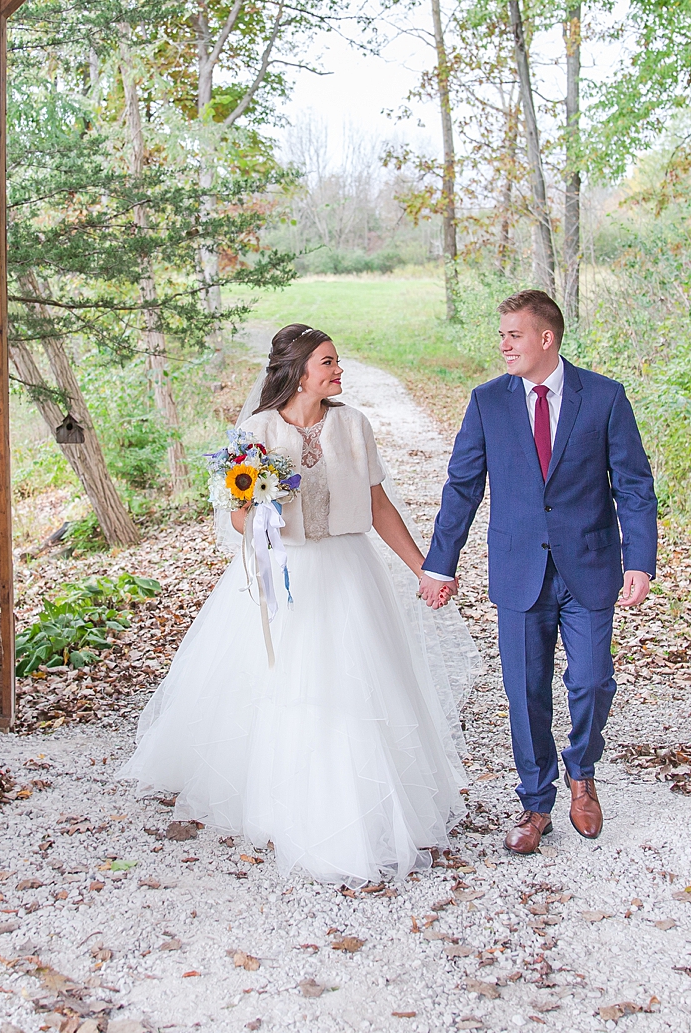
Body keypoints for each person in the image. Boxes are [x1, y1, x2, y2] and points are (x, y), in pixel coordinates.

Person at [118, 325, 477, 883]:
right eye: (328, 362)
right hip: (285, 572)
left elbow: (378, 505)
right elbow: (235, 516)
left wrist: (423, 568)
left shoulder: (354, 425)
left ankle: (364, 808)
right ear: (299, 370)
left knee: (359, 685)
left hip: (349, 570)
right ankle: (286, 806)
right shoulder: (255, 432)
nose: (338, 372)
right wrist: (258, 509)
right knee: (289, 688)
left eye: (337, 362)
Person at [423, 289, 658, 854]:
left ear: (545, 339)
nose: (504, 344)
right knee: (526, 692)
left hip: (590, 566)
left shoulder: (603, 397)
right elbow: (463, 488)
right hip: (519, 567)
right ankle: (535, 804)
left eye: (513, 334)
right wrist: (440, 562)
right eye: (502, 334)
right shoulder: (487, 402)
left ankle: (583, 772)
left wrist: (639, 560)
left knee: (592, 680)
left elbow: (633, 484)